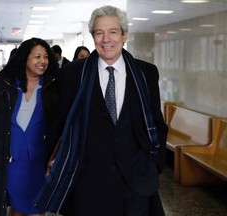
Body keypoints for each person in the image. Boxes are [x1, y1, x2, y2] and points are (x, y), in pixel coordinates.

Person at [35, 5, 168, 216]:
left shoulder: (146, 73)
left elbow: (156, 122)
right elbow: (60, 123)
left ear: (125, 35)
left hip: (135, 182)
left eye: (113, 31)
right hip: (88, 183)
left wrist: (154, 165)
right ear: (93, 37)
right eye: (99, 32)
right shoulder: (73, 73)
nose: (106, 39)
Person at [0, 37, 59, 216]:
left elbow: (59, 124)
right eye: (37, 56)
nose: (43, 61)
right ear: (25, 58)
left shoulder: (52, 87)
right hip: (13, 160)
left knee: (38, 206)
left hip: (40, 161)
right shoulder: (5, 85)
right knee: (17, 206)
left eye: (46, 57)